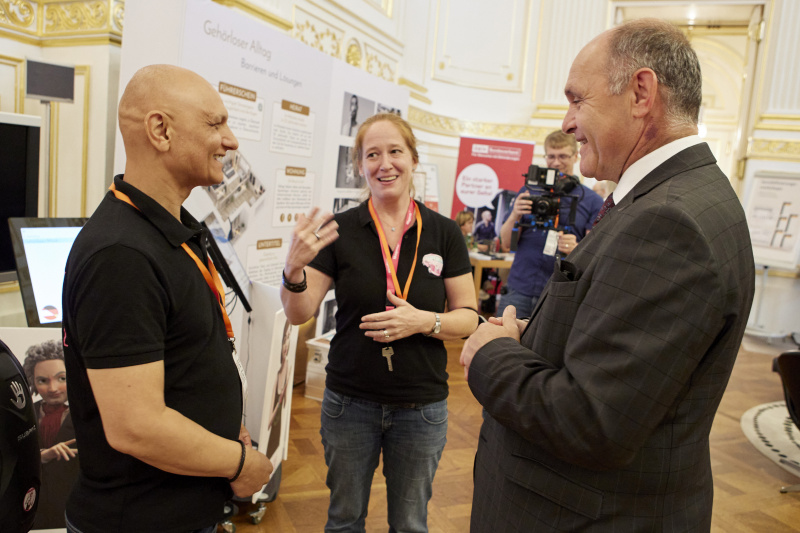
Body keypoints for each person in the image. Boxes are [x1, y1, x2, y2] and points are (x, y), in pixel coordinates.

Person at [460, 19, 755, 532]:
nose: (568, 122)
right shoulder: (670, 198)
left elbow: (593, 422)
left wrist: (492, 352)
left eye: (577, 99)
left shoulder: (669, 222)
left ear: (641, 93)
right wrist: (535, 336)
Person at [62, 64, 272, 533]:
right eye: (215, 124)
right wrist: (240, 463)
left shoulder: (166, 230)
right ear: (160, 130)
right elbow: (137, 425)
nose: (231, 140)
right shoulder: (121, 255)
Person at [281, 112, 478, 532]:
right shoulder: (338, 230)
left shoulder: (443, 232)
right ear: (359, 165)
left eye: (395, 152)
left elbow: (468, 318)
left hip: (421, 406)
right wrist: (292, 272)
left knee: (410, 523)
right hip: (350, 402)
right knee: (344, 519)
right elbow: (301, 312)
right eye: (372, 154)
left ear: (413, 159)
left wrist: (423, 321)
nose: (384, 163)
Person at [497, 131, 603, 318]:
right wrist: (515, 214)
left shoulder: (592, 201)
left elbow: (596, 256)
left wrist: (577, 248)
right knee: (502, 343)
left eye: (562, 156)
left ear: (575, 156)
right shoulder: (528, 191)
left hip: (560, 294)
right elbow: (506, 243)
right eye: (551, 156)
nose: (556, 162)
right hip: (519, 287)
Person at [21, 339, 78, 530]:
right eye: (43, 381)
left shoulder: (84, 416)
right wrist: (43, 455)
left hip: (73, 509)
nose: (53, 388)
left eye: (61, 378)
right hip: (31, 510)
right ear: (32, 382)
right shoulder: (25, 415)